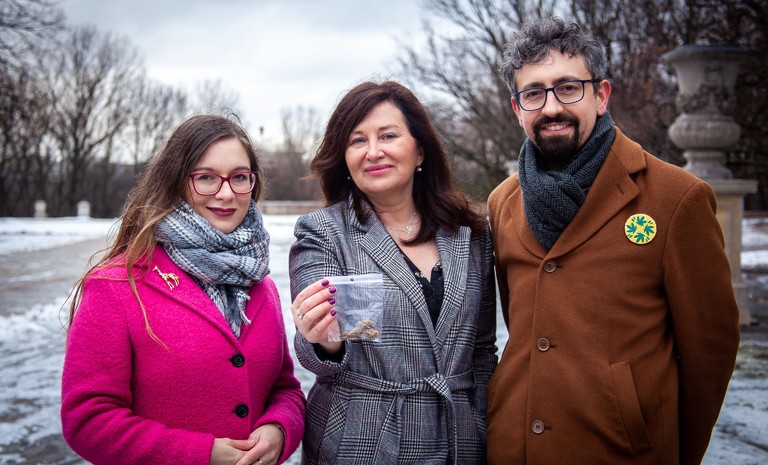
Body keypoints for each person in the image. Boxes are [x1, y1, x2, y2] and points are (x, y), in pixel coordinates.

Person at [485, 17, 740, 465]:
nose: (551, 107)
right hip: (514, 447)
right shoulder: (502, 203)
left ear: (601, 95)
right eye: (534, 93)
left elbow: (709, 352)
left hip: (620, 450)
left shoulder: (676, 198)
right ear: (517, 108)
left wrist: (675, 452)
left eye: (568, 88)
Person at [61, 114, 305, 465]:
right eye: (206, 177)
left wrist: (279, 429)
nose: (226, 193)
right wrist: (200, 454)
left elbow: (285, 389)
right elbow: (88, 420)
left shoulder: (259, 282)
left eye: (239, 177)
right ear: (175, 182)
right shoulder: (116, 284)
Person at [288, 80, 497, 464]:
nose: (373, 152)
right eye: (357, 141)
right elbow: (322, 350)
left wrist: (481, 424)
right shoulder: (323, 232)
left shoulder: (470, 234)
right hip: (362, 438)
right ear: (345, 159)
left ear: (420, 149)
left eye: (388, 135)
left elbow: (482, 349)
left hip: (459, 439)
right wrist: (323, 340)